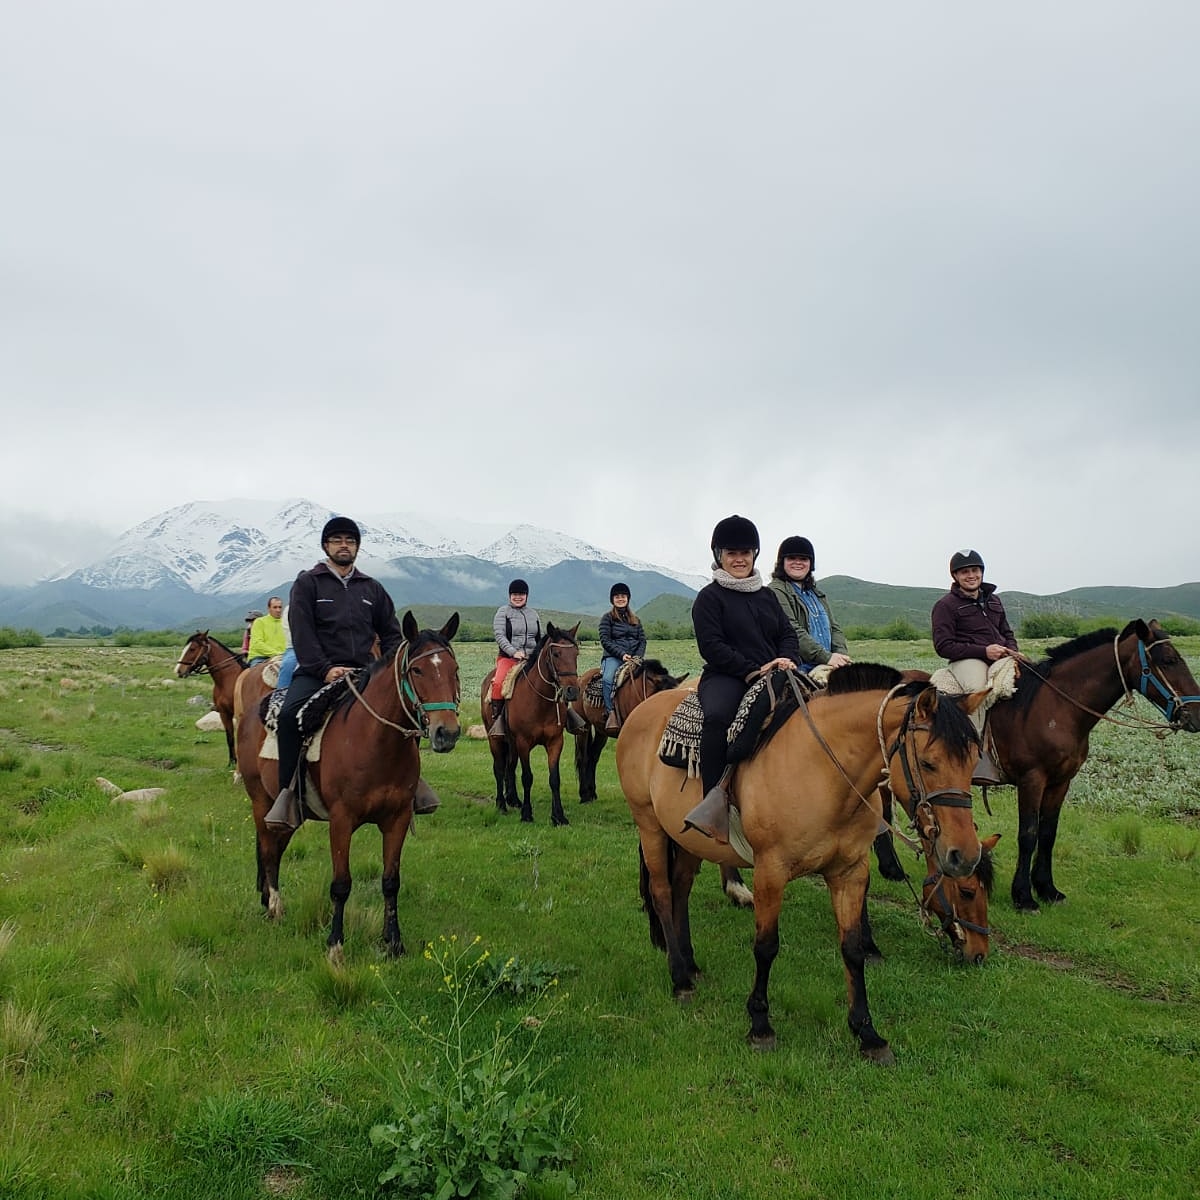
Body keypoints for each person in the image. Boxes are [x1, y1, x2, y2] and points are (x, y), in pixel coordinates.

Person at [264, 516, 440, 831]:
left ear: (357, 547)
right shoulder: (308, 583)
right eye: (337, 540)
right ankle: (288, 795)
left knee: (404, 715)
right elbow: (303, 634)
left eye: (350, 540)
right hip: (317, 673)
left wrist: (391, 666)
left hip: (364, 673)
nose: (344, 545)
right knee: (290, 717)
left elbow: (390, 633)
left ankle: (411, 786)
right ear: (326, 546)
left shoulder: (371, 588)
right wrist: (325, 668)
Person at [682, 515, 800, 843]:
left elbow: (787, 634)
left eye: (746, 552)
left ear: (755, 555)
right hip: (727, 675)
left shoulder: (766, 596)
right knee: (718, 718)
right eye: (731, 552)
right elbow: (712, 647)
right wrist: (753, 669)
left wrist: (786, 659)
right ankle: (714, 801)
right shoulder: (709, 598)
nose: (739, 559)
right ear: (719, 555)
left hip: (775, 672)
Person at [931, 548, 1020, 785]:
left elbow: (1007, 632)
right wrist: (983, 651)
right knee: (978, 691)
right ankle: (975, 754)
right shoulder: (946, 606)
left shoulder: (994, 600)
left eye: (975, 570)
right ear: (955, 577)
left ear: (981, 572)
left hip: (1000, 655)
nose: (971, 575)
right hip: (968, 660)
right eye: (964, 572)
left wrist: (1012, 649)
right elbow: (943, 645)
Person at [766, 536, 852, 673]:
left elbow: (834, 628)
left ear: (810, 563)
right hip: (799, 667)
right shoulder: (775, 591)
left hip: (829, 663)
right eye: (791, 558)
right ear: (782, 562)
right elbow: (792, 628)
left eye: (803, 559)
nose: (797, 563)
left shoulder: (817, 594)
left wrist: (840, 656)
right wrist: (827, 657)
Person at [598, 582, 647, 726]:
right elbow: (605, 640)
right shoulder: (607, 618)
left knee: (650, 677)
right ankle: (610, 712)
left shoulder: (636, 620)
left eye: (623, 596)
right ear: (612, 600)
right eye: (617, 596)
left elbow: (642, 640)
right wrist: (622, 655)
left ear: (628, 598)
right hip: (614, 657)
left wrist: (638, 656)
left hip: (635, 658)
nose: (620, 599)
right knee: (607, 679)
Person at [246, 596, 287, 665]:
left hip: (283, 658)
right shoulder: (259, 622)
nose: (278, 610)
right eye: (275, 607)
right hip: (260, 658)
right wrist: (277, 654)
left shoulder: (287, 623)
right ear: (269, 608)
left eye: (280, 607)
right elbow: (257, 643)